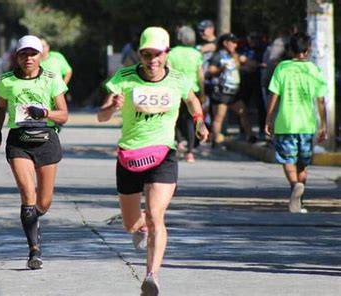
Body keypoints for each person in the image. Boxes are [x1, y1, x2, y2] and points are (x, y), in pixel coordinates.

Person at [97, 27, 209, 295]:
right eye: (146, 54)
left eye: (157, 54)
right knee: (131, 225)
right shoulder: (123, 78)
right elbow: (101, 116)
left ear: (166, 53)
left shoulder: (178, 79)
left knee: (157, 215)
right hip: (129, 156)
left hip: (163, 154)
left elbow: (193, 100)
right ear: (140, 53)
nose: (151, 60)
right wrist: (111, 107)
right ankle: (140, 226)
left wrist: (199, 122)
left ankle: (151, 276)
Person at [0, 35, 68, 269]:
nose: (28, 58)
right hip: (19, 142)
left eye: (33, 54)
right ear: (17, 56)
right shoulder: (6, 81)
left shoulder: (52, 79)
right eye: (24, 54)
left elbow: (63, 114)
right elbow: (0, 107)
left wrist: (44, 113)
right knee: (27, 196)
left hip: (46, 140)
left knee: (43, 203)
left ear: (40, 55)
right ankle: (34, 250)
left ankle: (34, 218)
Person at [265, 32, 327, 214]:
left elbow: (274, 96)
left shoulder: (282, 68)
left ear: (290, 49)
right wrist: (324, 125)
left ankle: (294, 186)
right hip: (307, 124)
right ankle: (300, 197)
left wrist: (269, 119)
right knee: (302, 162)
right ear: (308, 50)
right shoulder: (314, 70)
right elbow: (321, 101)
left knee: (287, 159)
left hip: (286, 123)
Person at [207, 33, 255, 148]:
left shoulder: (234, 56)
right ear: (225, 43)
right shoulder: (218, 56)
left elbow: (248, 65)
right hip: (222, 92)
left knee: (243, 112)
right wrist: (221, 69)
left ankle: (250, 135)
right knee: (219, 117)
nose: (235, 45)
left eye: (235, 42)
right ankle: (216, 140)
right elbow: (211, 70)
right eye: (232, 42)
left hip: (233, 92)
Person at [168, 25, 205, 162]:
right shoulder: (196, 54)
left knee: (175, 118)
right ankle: (190, 152)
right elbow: (200, 75)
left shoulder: (171, 53)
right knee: (191, 120)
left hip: (175, 89)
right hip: (192, 90)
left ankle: (179, 142)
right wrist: (203, 91)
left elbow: (169, 72)